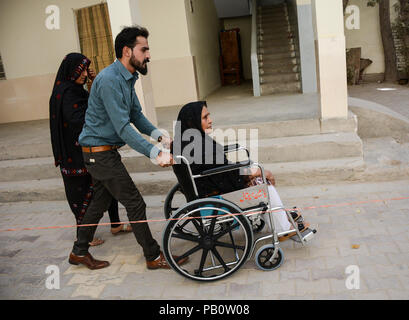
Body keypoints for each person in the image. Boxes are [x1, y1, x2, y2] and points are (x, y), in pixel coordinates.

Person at [68, 26, 188, 270]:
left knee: (99, 203)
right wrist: (155, 153)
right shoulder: (109, 80)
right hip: (99, 155)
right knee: (135, 203)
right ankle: (153, 257)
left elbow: (135, 114)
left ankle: (79, 252)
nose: (148, 55)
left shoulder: (127, 76)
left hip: (101, 153)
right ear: (126, 51)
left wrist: (160, 137)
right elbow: (123, 128)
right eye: (144, 49)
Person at [172, 101, 308, 239]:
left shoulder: (186, 141)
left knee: (257, 178)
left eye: (209, 116)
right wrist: (252, 174)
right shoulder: (198, 146)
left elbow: (220, 170)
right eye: (205, 117)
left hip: (212, 187)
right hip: (215, 198)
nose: (210, 120)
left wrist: (248, 174)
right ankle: (283, 228)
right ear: (191, 122)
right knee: (263, 185)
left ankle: (281, 217)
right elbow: (222, 173)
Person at [49, 53, 131, 247]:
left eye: (86, 70)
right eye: (83, 70)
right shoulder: (67, 92)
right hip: (75, 153)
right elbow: (79, 118)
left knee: (105, 183)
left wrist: (93, 81)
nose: (85, 73)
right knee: (81, 192)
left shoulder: (75, 89)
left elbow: (92, 103)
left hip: (88, 147)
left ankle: (116, 224)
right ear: (73, 71)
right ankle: (83, 236)